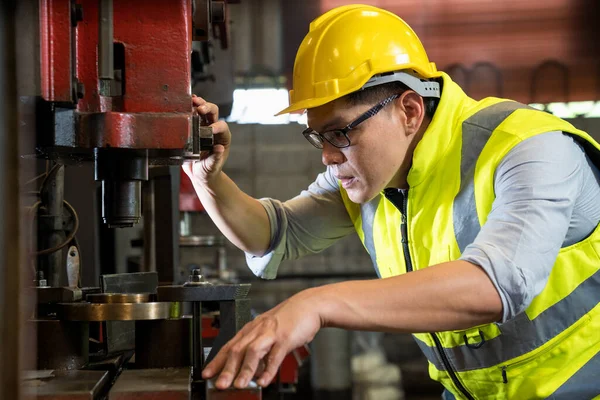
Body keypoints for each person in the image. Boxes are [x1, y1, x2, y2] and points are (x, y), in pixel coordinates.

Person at [184, 4, 600, 399]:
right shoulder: (373, 177)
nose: (328, 155)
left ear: (409, 111)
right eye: (318, 136)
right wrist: (208, 179)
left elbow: (496, 284)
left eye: (340, 132)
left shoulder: (528, 148)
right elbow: (272, 234)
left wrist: (317, 303)